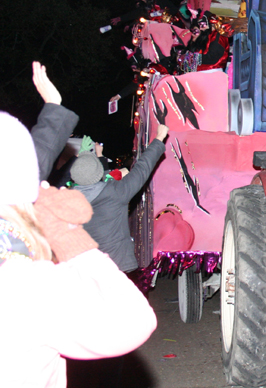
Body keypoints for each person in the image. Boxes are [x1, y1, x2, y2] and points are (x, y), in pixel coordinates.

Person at [0, 112, 157, 388]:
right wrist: (159, 142)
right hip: (114, 270)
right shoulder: (30, 283)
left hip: (78, 276)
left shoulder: (67, 194)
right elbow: (142, 170)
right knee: (107, 353)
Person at [70, 124, 169, 272]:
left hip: (86, 271)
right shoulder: (115, 193)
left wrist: (95, 157)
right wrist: (159, 138)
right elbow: (142, 168)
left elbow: (97, 179)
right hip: (119, 268)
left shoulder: (66, 201)